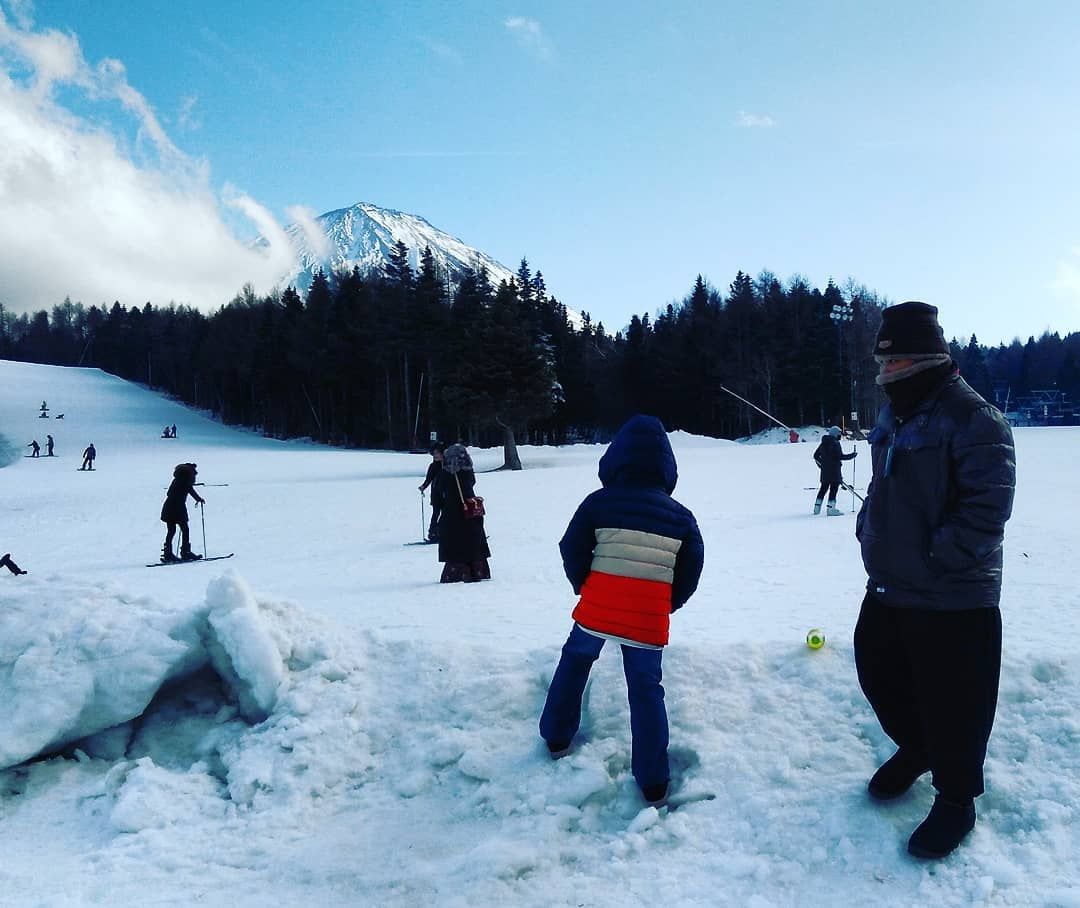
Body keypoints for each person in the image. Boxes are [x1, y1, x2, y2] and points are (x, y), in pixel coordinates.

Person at [854, 301, 1015, 860]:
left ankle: (956, 799)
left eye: (892, 366)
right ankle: (919, 746)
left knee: (958, 701)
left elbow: (985, 513)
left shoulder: (975, 419)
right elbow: (883, 485)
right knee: (876, 669)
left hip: (952, 595)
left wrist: (931, 559)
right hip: (891, 584)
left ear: (922, 359)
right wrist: (868, 526)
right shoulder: (894, 416)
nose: (883, 376)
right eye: (881, 365)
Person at [539, 414, 705, 805]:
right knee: (646, 690)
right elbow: (691, 570)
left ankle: (557, 736)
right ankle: (653, 780)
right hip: (647, 619)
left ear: (615, 460)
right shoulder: (681, 517)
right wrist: (666, 603)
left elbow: (570, 548)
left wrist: (586, 586)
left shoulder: (598, 502)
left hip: (598, 608)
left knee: (574, 661)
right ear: (667, 467)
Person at [437, 443, 490, 582]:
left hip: (452, 511)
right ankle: (477, 571)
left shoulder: (446, 472)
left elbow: (440, 489)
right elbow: (471, 483)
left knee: (455, 542)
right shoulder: (468, 470)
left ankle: (459, 572)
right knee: (473, 540)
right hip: (470, 509)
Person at [160, 462, 206, 562]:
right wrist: (199, 499)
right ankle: (185, 552)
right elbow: (190, 490)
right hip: (178, 507)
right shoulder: (185, 480)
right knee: (185, 529)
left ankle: (168, 554)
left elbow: (170, 492)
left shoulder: (177, 479)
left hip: (169, 506)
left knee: (171, 530)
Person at [812, 426, 857, 515]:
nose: (840, 435)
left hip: (825, 471)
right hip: (835, 470)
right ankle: (831, 509)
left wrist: (822, 465)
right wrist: (852, 455)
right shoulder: (835, 443)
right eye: (839, 433)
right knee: (834, 488)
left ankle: (816, 508)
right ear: (835, 434)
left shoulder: (823, 443)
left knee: (823, 488)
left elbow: (816, 455)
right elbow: (840, 456)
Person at [418, 442, 446, 542]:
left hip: (447, 494)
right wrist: (423, 486)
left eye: (437, 453)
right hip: (437, 494)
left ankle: (441, 531)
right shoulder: (433, 466)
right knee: (436, 513)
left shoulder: (448, 464)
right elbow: (429, 479)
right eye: (434, 454)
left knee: (446, 514)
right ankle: (433, 533)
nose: (435, 455)